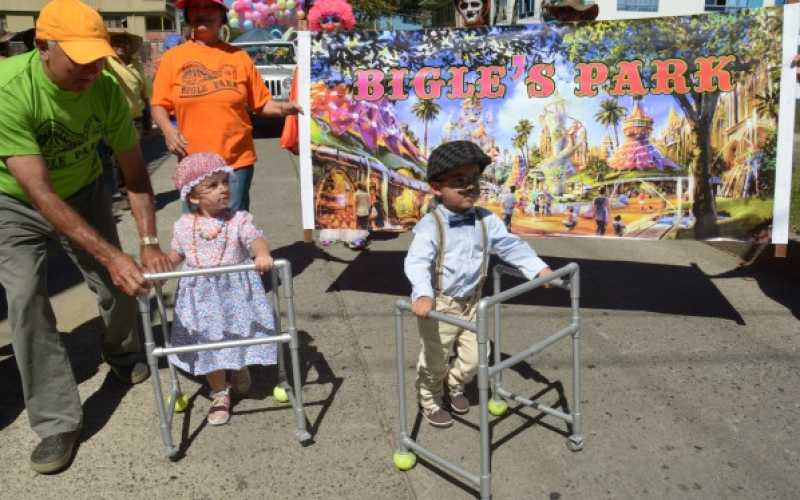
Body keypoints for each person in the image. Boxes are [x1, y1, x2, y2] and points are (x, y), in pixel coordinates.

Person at [0, 0, 173, 474]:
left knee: (118, 282)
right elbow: (39, 193)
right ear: (42, 47)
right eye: (79, 60)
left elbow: (135, 172)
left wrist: (148, 242)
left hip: (84, 189)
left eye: (97, 58)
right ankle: (57, 420)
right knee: (26, 300)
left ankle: (122, 351)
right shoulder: (8, 90)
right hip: (15, 202)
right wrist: (114, 255)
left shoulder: (107, 88)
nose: (91, 70)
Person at [404, 140, 553, 428]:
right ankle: (430, 397)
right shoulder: (430, 225)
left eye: (475, 179)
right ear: (437, 187)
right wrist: (422, 294)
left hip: (473, 302)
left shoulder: (488, 220)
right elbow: (416, 262)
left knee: (476, 358)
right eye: (460, 181)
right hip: (440, 304)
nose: (471, 187)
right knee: (435, 359)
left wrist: (538, 269)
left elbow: (511, 246)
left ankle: (455, 384)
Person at [151, 0, 302, 212]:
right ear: (188, 15)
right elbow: (158, 104)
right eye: (195, 8)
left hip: (235, 162)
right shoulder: (173, 58)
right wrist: (168, 130)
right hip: (193, 163)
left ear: (221, 15)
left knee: (233, 230)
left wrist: (286, 108)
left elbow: (262, 104)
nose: (202, 13)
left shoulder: (239, 57)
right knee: (197, 232)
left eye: (209, 7)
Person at [168, 152, 278, 425]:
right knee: (208, 344)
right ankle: (219, 392)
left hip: (234, 294)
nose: (223, 189)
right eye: (213, 185)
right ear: (193, 197)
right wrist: (160, 270)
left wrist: (261, 254)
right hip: (200, 298)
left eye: (224, 182)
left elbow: (255, 239)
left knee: (235, 333)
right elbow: (175, 255)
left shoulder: (238, 219)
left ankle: (239, 366)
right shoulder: (183, 226)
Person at [101, 30, 152, 211]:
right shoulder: (107, 63)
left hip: (136, 118)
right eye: (115, 42)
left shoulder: (136, 65)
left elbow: (145, 92)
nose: (120, 46)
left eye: (124, 42)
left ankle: (136, 194)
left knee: (132, 157)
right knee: (118, 160)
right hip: (113, 121)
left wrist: (148, 118)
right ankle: (126, 193)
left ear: (130, 46)